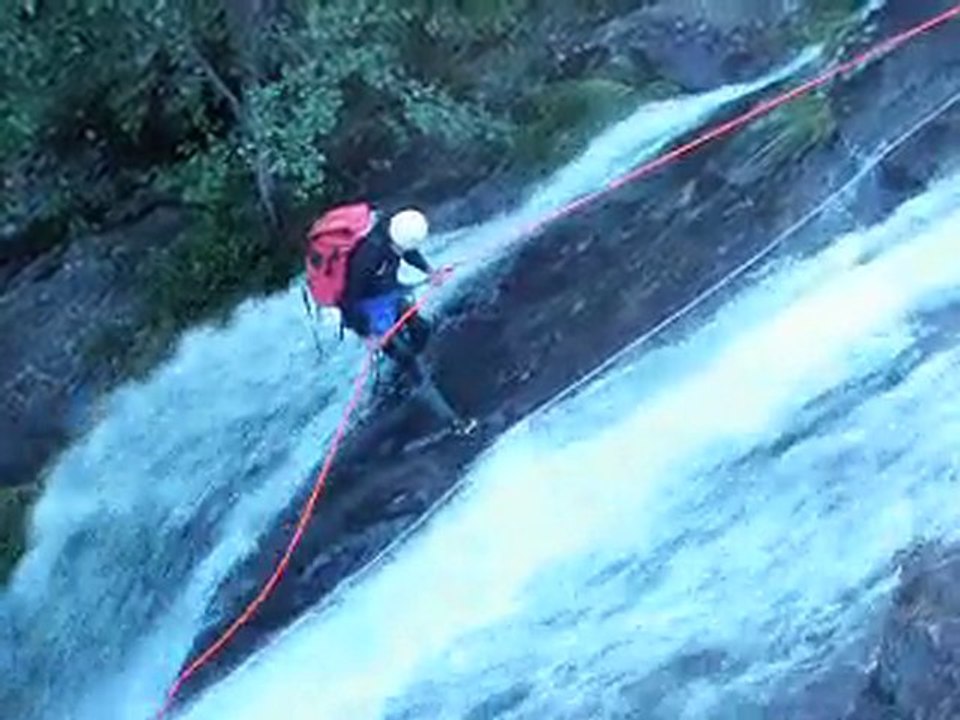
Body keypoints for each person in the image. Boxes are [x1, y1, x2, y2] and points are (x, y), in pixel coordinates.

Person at [304, 203, 475, 435]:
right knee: (408, 360)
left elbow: (409, 252)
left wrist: (429, 271)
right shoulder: (366, 258)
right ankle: (454, 421)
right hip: (369, 311)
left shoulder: (392, 230)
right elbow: (347, 301)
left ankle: (410, 358)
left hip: (387, 294)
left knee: (421, 329)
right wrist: (367, 334)